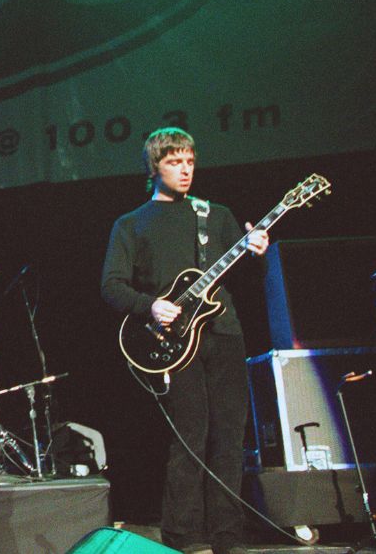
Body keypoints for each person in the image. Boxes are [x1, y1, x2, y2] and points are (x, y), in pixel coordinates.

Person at [100, 128, 267, 554]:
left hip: (225, 333)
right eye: (175, 162)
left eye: (190, 161)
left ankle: (228, 535)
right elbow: (112, 286)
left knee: (230, 436)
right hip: (173, 341)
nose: (186, 170)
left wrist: (255, 251)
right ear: (154, 167)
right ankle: (184, 535)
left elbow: (248, 281)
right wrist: (150, 305)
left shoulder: (216, 215)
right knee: (191, 436)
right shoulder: (131, 224)